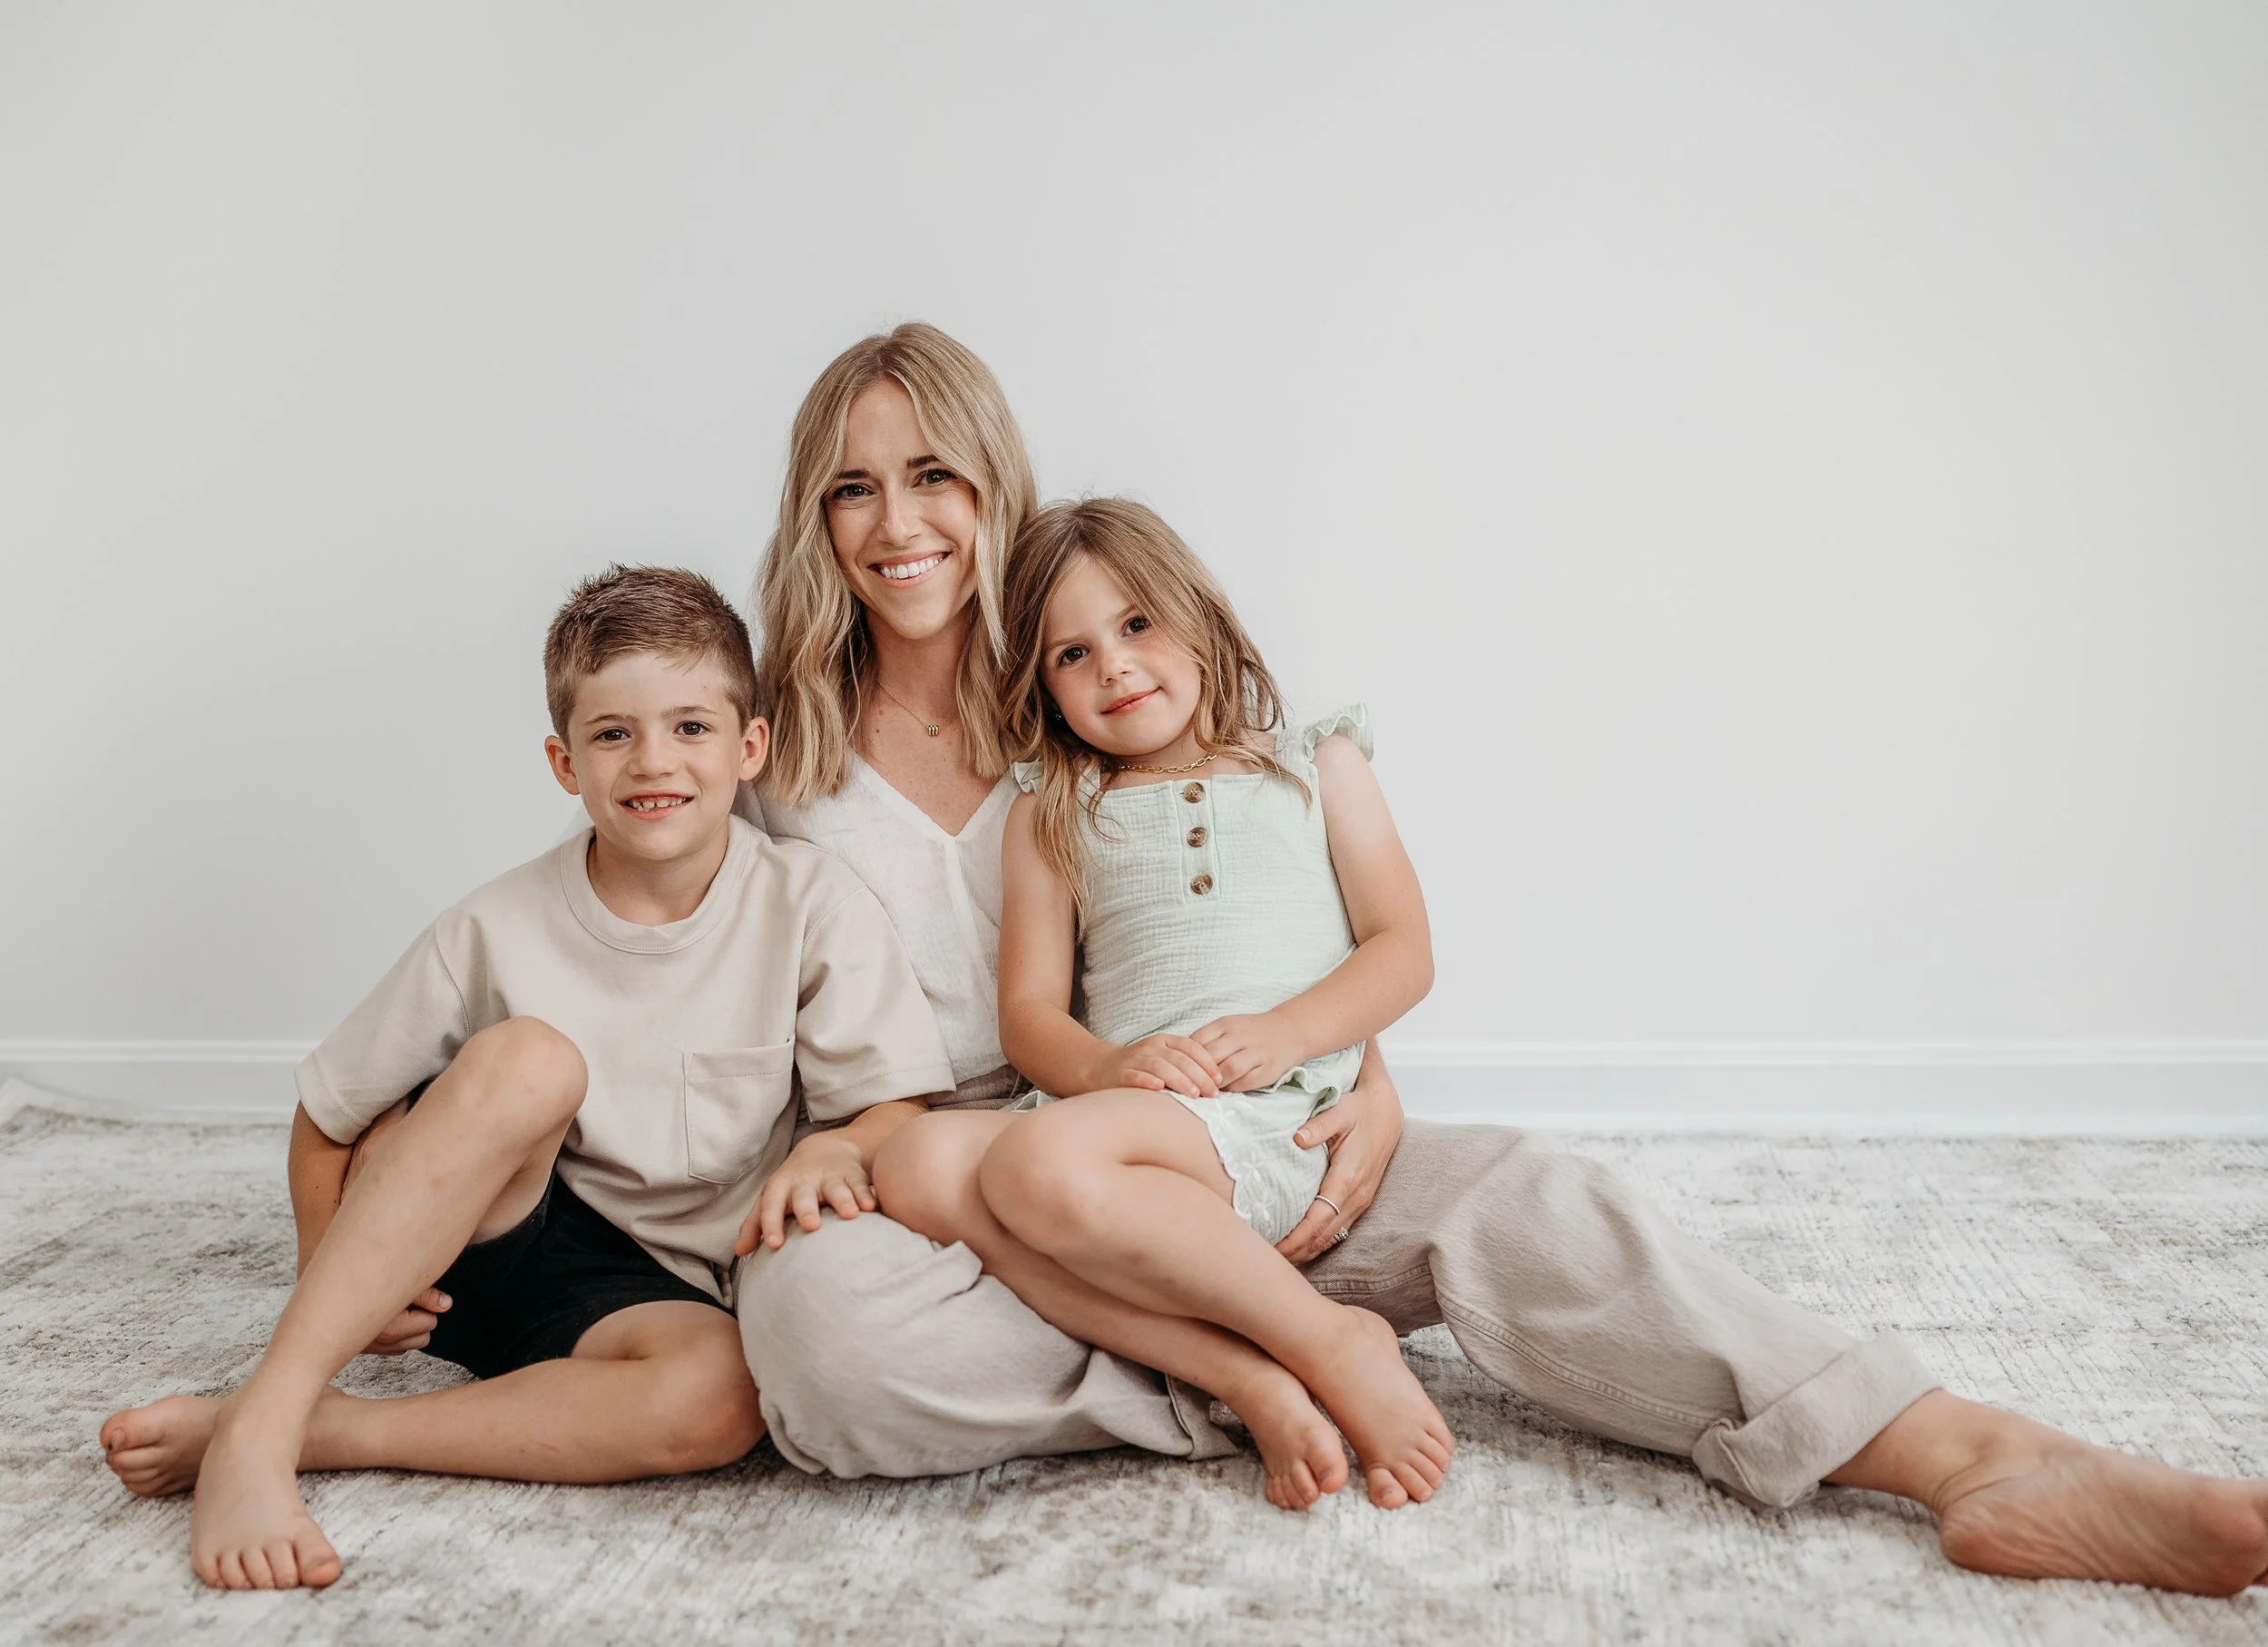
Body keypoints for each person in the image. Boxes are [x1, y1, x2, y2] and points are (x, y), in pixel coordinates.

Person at [735, 320, 2268, 1596]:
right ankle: (1272, 1361)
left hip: (1205, 1144)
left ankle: (1969, 1455)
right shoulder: (765, 756)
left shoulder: (1091, 718)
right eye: (854, 489)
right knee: (814, 1343)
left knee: (1531, 1196)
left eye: (934, 472)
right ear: (813, 517)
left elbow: (1278, 943)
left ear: (999, 491)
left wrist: (1365, 1070)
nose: (898, 521)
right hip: (956, 1190)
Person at [99, 565, 955, 1590]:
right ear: (564, 762)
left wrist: (836, 1143)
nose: (654, 762)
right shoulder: (491, 927)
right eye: (612, 734)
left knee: (723, 1401)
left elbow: (891, 1103)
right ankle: (270, 1412)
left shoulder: (810, 902)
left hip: (671, 1294)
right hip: (514, 1241)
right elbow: (327, 1113)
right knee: (528, 1059)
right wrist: (330, 1268)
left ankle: (335, 1434)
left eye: (690, 727)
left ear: (750, 747)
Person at [875, 497, 1450, 1512]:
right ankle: (1253, 1374)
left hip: (1264, 1115)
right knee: (916, 1162)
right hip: (1122, 1115)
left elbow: (1402, 950)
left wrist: (1289, 1034)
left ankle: (1327, 1339)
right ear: (1042, 688)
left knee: (1037, 1161)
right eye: (1071, 655)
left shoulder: (1313, 766)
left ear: (1199, 617)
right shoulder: (1050, 812)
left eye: (1137, 624)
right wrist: (1102, 1068)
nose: (1114, 667)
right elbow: (1030, 1017)